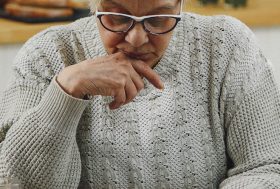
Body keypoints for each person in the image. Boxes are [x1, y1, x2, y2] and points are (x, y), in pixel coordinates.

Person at [0, 0, 280, 188]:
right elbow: (15, 182)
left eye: (158, 19)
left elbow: (266, 168)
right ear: (94, 6)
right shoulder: (46, 56)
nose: (136, 39)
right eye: (117, 17)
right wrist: (66, 89)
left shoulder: (227, 45)